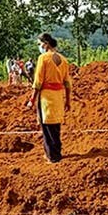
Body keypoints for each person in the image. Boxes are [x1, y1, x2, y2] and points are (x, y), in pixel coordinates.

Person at [30, 33, 72, 164]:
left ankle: (52, 156)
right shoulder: (63, 59)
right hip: (58, 96)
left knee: (47, 127)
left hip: (46, 97)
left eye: (40, 44)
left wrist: (31, 99)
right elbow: (68, 83)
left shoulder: (43, 58)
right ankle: (56, 152)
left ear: (46, 43)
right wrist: (68, 101)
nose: (40, 46)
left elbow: (37, 82)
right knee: (56, 126)